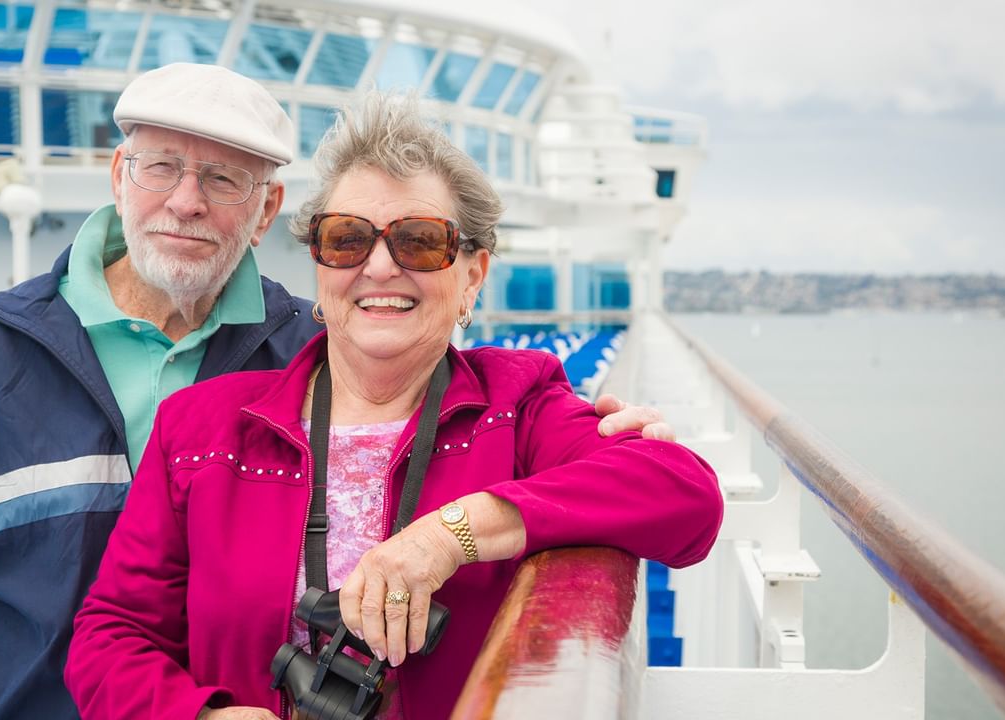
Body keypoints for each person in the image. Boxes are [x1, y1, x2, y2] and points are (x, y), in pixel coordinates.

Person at [0, 65, 671, 719]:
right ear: (119, 175)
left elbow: (666, 487)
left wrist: (470, 522)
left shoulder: (309, 349)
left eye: (224, 180)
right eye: (160, 167)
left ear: (268, 208)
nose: (186, 201)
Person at [65, 93, 724, 720]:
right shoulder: (202, 428)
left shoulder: (515, 405)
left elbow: (685, 494)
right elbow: (110, 637)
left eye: (420, 241)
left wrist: (450, 535)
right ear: (320, 266)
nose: (380, 267)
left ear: (471, 277)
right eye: (347, 238)